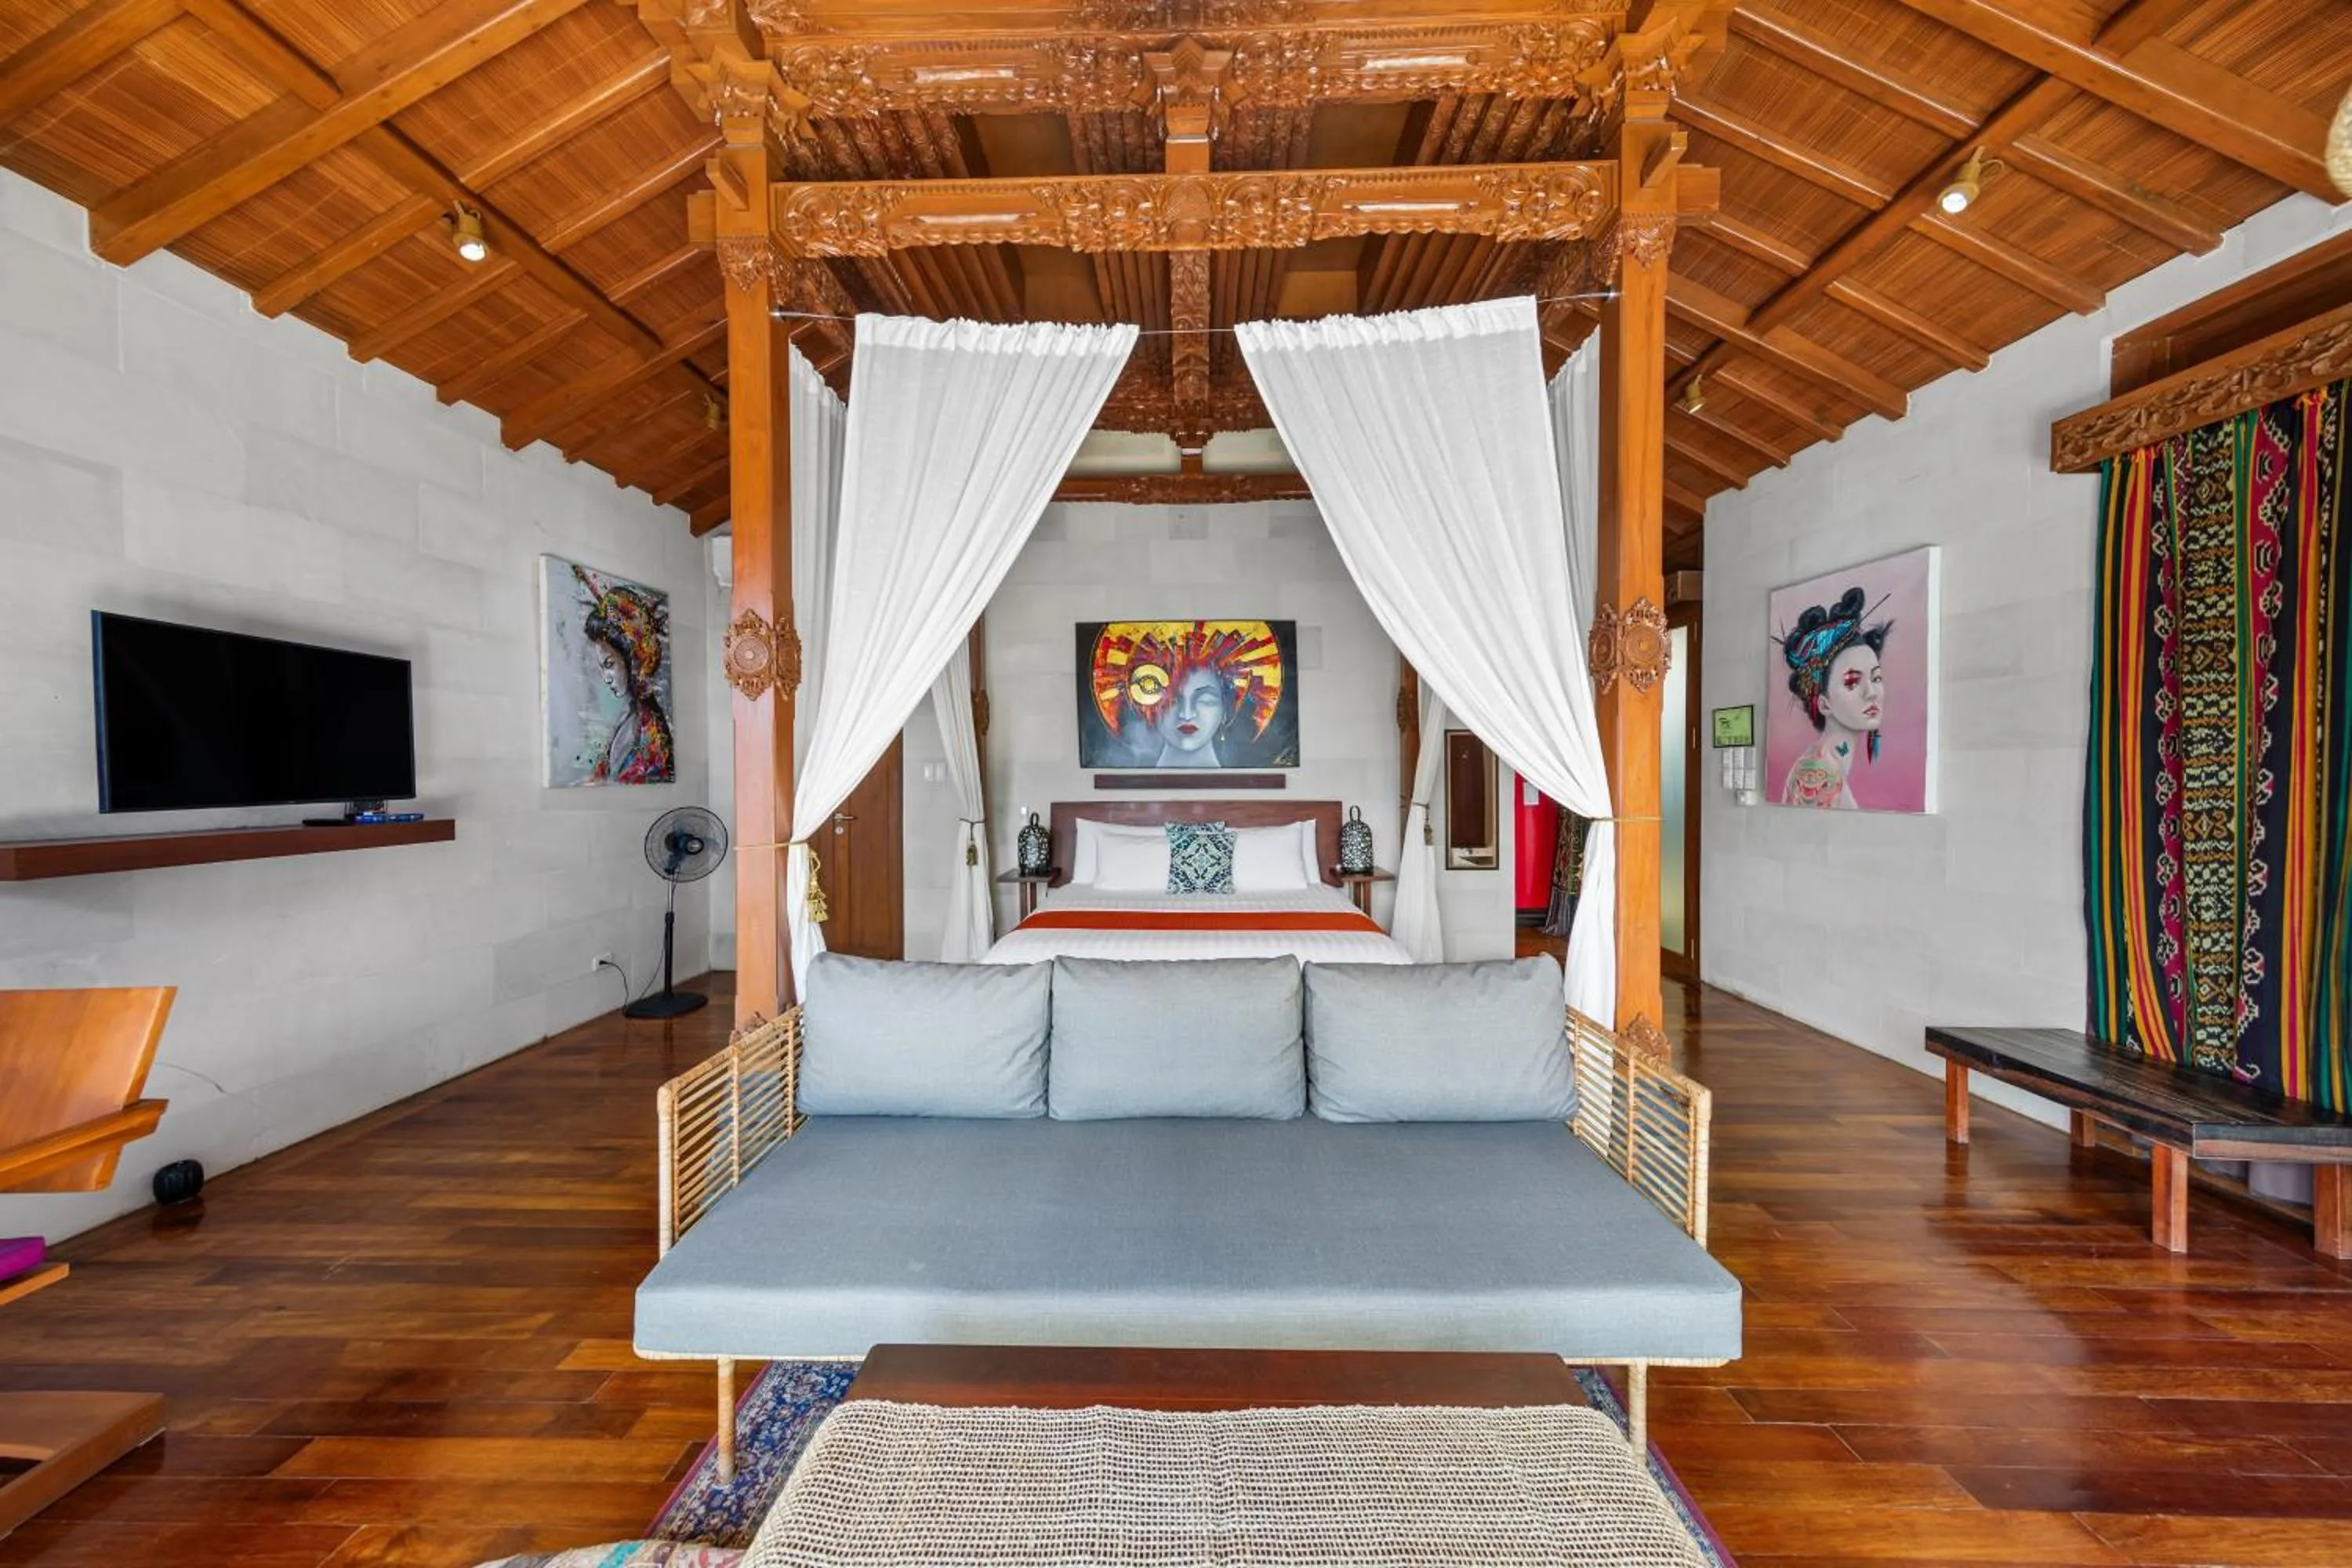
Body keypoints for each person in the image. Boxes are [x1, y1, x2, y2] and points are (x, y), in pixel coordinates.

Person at [1777, 586, 1889, 810]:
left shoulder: (1830, 761)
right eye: (1852, 682)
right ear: (1824, 704)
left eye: (1876, 678)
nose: (1872, 692)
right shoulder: (1817, 773)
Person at [573, 563, 676, 784]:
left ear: (632, 658)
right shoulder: (629, 717)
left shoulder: (650, 730)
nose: (606, 678)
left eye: (609, 664)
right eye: (602, 667)